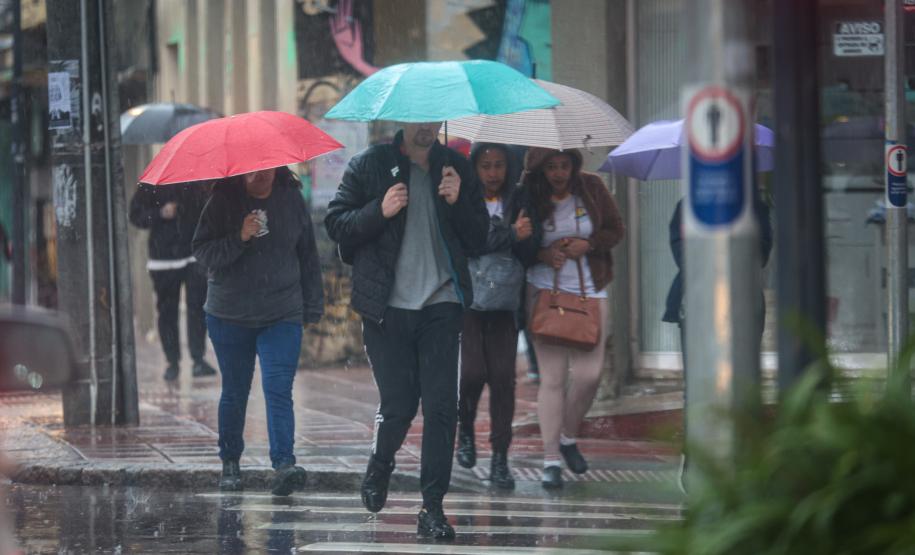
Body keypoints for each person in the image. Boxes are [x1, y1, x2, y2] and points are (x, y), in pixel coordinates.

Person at [325, 122, 488, 540]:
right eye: (419, 120)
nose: (427, 128)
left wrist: (457, 201)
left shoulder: (456, 168)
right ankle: (381, 463)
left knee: (441, 408)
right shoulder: (370, 165)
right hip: (387, 307)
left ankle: (432, 508)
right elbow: (337, 225)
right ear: (403, 121)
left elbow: (479, 237)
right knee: (399, 405)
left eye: (434, 120)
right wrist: (378, 211)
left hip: (442, 303)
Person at [192, 166, 323, 496]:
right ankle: (231, 461)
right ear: (240, 172)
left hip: (282, 311)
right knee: (235, 391)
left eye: (266, 168)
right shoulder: (222, 201)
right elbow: (204, 253)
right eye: (251, 171)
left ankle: (283, 464)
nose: (259, 175)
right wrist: (239, 237)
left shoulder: (291, 199)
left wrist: (312, 305)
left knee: (278, 387)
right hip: (230, 314)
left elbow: (307, 254)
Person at [512, 147, 625, 489]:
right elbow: (518, 244)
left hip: (591, 292)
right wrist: (543, 253)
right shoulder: (527, 196)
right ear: (539, 170)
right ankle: (550, 460)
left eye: (564, 166)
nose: (559, 173)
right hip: (545, 294)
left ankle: (567, 436)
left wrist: (587, 245)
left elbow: (615, 230)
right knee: (553, 379)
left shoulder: (591, 187)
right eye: (551, 167)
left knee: (590, 376)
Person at [662, 195, 773, 492]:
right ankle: (696, 455)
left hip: (743, 302)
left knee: (742, 381)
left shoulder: (754, 206)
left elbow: (762, 253)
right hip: (697, 300)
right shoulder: (687, 206)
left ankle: (742, 454)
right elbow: (681, 251)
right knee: (698, 384)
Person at [455, 143, 531, 490]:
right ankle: (465, 428)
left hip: (505, 302)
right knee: (472, 373)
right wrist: (510, 234)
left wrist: (519, 237)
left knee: (503, 378)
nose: (493, 173)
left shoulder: (519, 198)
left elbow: (530, 243)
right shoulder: (466, 198)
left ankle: (500, 457)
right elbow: (470, 240)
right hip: (470, 300)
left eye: (499, 165)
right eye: (486, 165)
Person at [129, 182, 217, 381]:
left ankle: (198, 359)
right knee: (167, 312)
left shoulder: (195, 183)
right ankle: (172, 362)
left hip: (193, 254)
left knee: (197, 308)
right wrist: (160, 213)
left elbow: (206, 212)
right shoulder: (152, 184)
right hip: (164, 258)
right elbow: (136, 216)